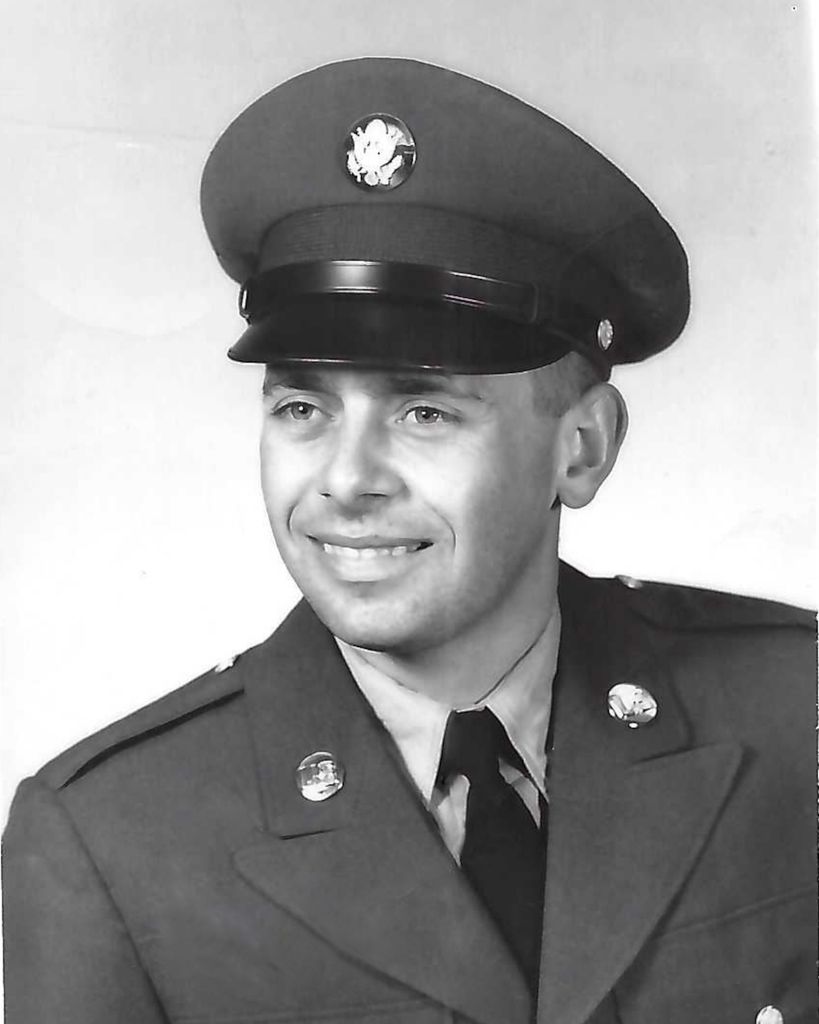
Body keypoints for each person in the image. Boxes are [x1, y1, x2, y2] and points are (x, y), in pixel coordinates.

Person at [3, 57, 815, 1024]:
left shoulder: (790, 713)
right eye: (301, 407)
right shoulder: (112, 842)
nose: (346, 479)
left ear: (582, 448)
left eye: (424, 412)